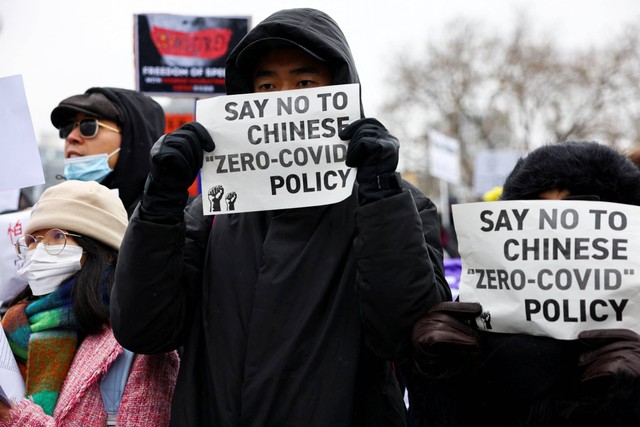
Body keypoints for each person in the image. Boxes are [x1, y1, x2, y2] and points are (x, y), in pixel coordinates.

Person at [110, 7, 451, 426]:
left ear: (340, 91)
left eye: (305, 82)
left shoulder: (397, 205)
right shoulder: (212, 212)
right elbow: (144, 328)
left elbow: (404, 334)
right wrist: (160, 202)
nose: (283, 99)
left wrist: (381, 196)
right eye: (266, 84)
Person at [411, 141, 640, 426]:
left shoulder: (633, 329)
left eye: (577, 209)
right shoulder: (482, 319)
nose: (555, 228)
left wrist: (629, 401)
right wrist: (437, 378)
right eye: (537, 211)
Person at [0, 180, 179, 426]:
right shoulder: (11, 330)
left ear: (104, 252)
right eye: (31, 240)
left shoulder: (138, 345)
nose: (37, 251)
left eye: (57, 236)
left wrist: (15, 419)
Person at [50, 87, 166, 217]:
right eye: (66, 128)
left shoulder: (178, 220)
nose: (71, 136)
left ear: (130, 138)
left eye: (88, 126)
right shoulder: (51, 216)